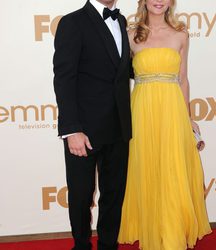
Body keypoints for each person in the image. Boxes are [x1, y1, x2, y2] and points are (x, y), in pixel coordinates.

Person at [118, 0, 212, 249]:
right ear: (144, 1)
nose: (158, 1)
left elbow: (183, 79)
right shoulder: (130, 35)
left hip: (172, 112)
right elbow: (117, 79)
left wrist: (188, 117)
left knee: (172, 171)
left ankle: (171, 237)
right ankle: (152, 230)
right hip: (141, 110)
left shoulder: (181, 34)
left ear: (171, 2)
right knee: (147, 168)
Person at [53, 0, 132, 249]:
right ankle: (82, 245)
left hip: (119, 127)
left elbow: (124, 71)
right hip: (83, 130)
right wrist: (71, 129)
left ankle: (109, 245)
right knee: (80, 196)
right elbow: (64, 79)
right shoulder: (72, 22)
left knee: (113, 195)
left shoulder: (121, 21)